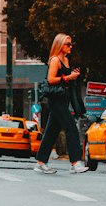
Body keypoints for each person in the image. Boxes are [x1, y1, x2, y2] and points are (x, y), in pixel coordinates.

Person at [34, 33, 87, 173]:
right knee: (71, 128)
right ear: (60, 45)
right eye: (67, 44)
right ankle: (75, 163)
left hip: (64, 99)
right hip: (55, 99)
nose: (70, 47)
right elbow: (51, 79)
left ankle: (40, 162)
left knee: (51, 132)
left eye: (71, 44)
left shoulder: (66, 60)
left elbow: (66, 79)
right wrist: (69, 76)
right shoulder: (55, 60)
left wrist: (73, 75)